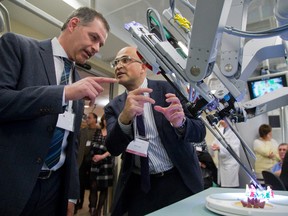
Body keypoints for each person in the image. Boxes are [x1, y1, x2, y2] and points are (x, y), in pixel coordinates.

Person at [0, 7, 117, 216]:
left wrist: (71, 194)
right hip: (12, 185)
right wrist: (63, 93)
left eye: (100, 44)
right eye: (94, 37)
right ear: (73, 24)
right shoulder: (18, 46)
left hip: (55, 190)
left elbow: (71, 143)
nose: (96, 48)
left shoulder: (79, 83)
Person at [104, 46, 206, 215]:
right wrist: (124, 118)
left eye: (125, 60)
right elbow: (113, 148)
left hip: (178, 181)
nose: (118, 66)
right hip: (140, 187)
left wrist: (181, 123)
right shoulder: (113, 107)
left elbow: (200, 131)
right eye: (115, 62)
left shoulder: (169, 90)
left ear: (143, 66)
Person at [89, 114, 114, 216]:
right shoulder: (98, 131)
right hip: (95, 163)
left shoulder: (112, 133)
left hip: (106, 164)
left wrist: (102, 155)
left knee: (104, 188)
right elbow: (92, 145)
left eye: (108, 120)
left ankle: (99, 210)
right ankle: (93, 210)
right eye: (105, 120)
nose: (106, 122)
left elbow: (112, 149)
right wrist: (95, 156)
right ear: (103, 121)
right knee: (93, 187)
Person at [75, 112, 99, 213]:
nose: (87, 119)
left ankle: (91, 206)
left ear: (95, 120)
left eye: (89, 118)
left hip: (93, 162)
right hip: (81, 161)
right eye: (87, 118)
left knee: (92, 184)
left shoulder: (98, 132)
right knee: (79, 183)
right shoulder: (82, 131)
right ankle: (78, 203)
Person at [211, 120, 241, 188]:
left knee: (230, 185)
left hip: (231, 162)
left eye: (222, 119)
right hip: (222, 161)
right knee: (222, 185)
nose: (221, 121)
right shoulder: (220, 130)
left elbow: (234, 147)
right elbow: (215, 141)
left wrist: (220, 147)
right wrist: (214, 145)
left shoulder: (234, 131)